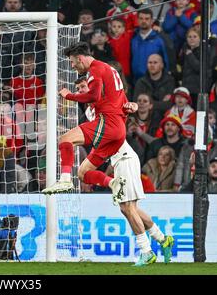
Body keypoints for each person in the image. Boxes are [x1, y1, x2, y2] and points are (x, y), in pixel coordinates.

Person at [73, 76, 175, 266]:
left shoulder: (105, 101)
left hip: (125, 158)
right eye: (78, 89)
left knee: (127, 207)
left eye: (83, 87)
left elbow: (123, 105)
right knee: (129, 208)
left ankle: (146, 251)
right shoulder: (89, 112)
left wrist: (132, 106)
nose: (80, 91)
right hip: (118, 159)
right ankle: (162, 239)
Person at [41, 42, 127, 202]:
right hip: (119, 129)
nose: (72, 66)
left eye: (73, 62)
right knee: (83, 173)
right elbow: (123, 100)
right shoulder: (111, 69)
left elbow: (93, 96)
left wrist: (69, 96)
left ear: (80, 58)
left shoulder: (95, 69)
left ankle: (65, 180)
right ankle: (114, 183)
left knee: (65, 139)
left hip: (108, 123)